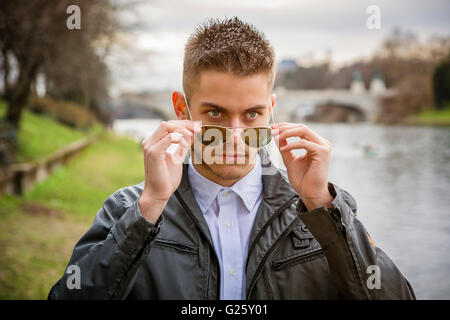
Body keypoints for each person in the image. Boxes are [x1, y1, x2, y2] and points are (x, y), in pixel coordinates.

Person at [48, 17, 415, 300]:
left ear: (271, 109)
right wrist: (149, 209)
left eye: (252, 115)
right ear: (182, 109)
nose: (236, 136)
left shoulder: (321, 215)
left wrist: (322, 205)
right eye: (216, 114)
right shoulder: (127, 210)